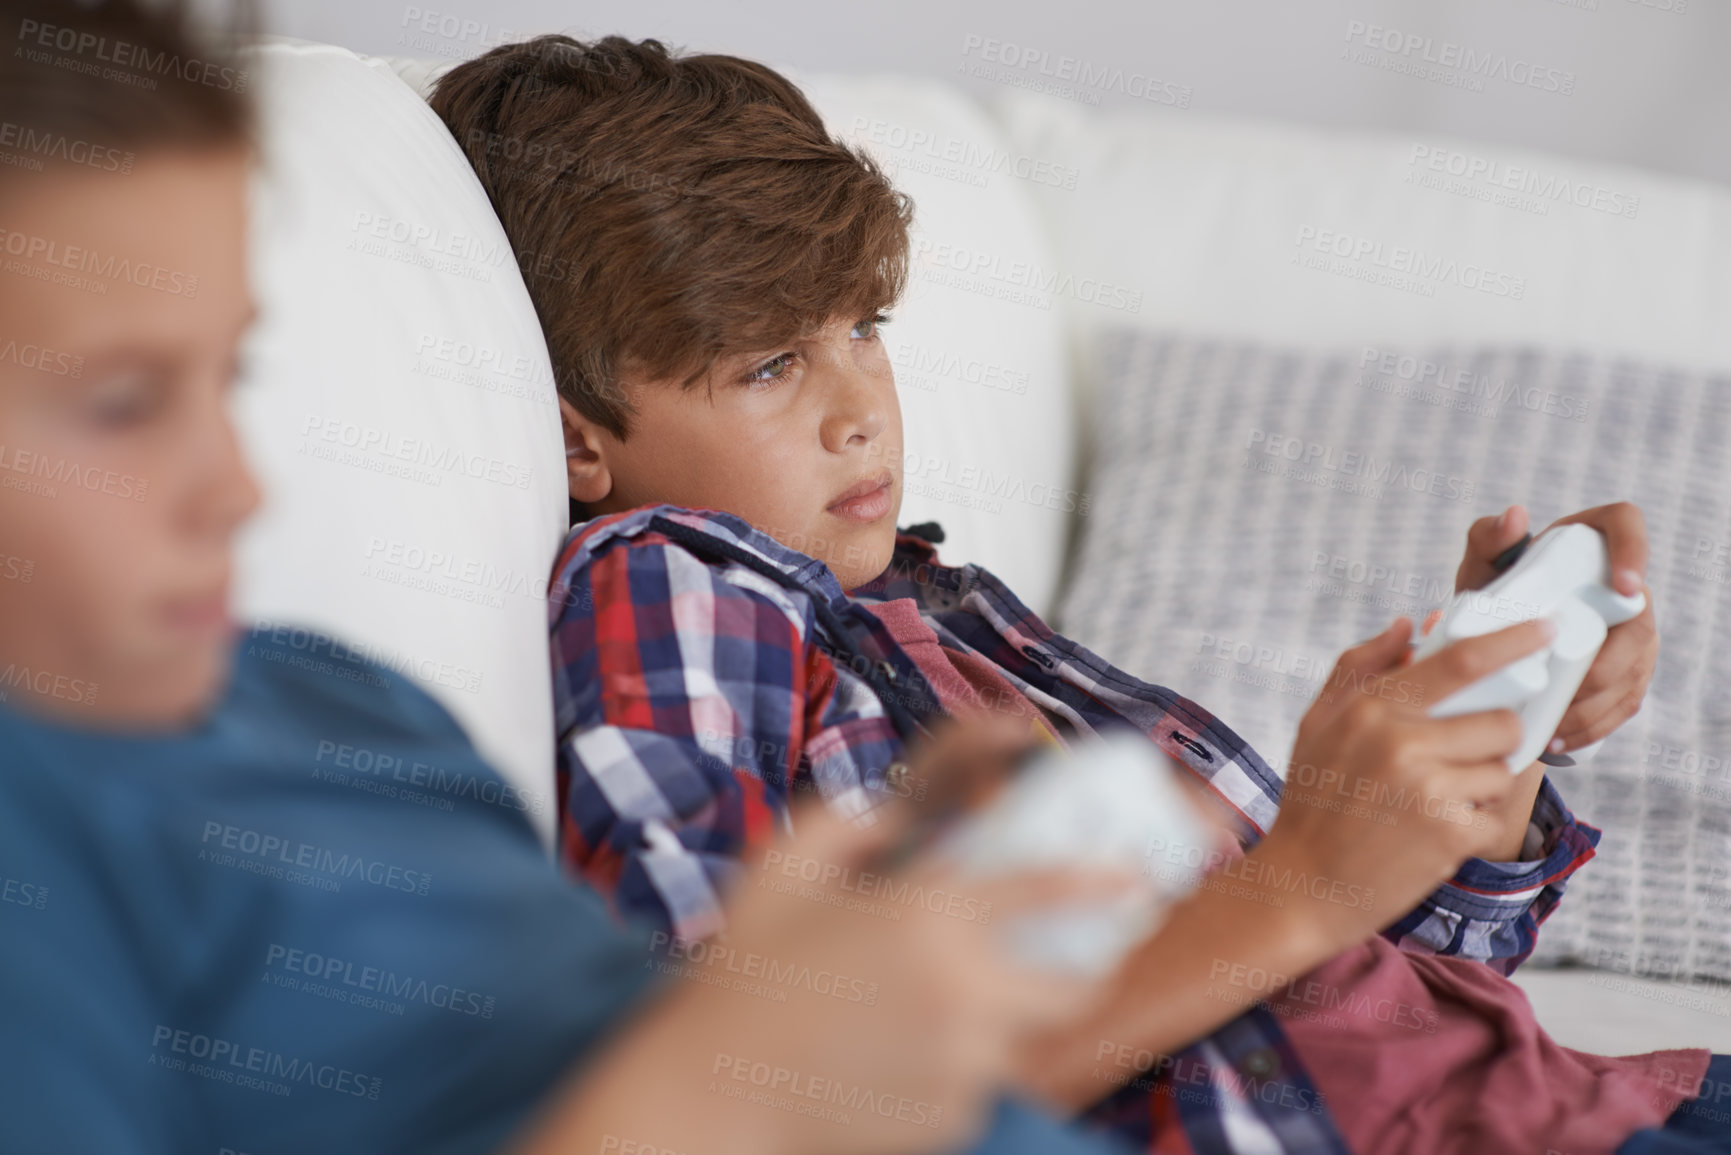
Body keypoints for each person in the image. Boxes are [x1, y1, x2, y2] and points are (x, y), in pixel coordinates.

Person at [431, 33, 1731, 1154]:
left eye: (862, 327)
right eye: (770, 362)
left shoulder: (942, 606)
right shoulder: (674, 579)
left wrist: (1483, 765)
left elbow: (1348, 982)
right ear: (579, 443)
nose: (858, 412)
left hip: (1579, 1099)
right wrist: (1301, 882)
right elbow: (746, 1073)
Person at [0, 3, 1142, 1153]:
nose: (238, 489)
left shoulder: (343, 703)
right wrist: (738, 1074)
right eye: (121, 402)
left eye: (228, 373)